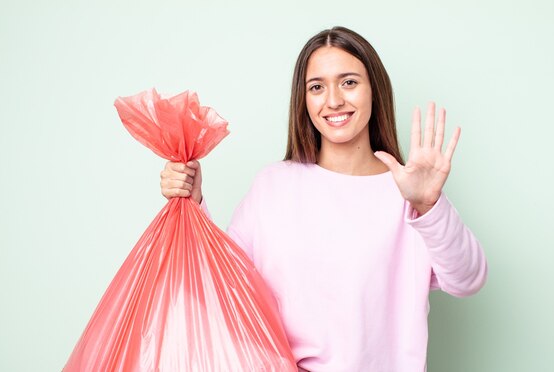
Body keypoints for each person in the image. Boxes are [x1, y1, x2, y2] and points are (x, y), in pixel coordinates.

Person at [160, 26, 487, 372]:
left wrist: (429, 205)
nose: (333, 100)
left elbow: (467, 279)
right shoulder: (274, 186)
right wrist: (192, 205)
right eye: (317, 87)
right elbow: (223, 284)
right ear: (304, 100)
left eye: (349, 82)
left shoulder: (406, 192)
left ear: (374, 90)